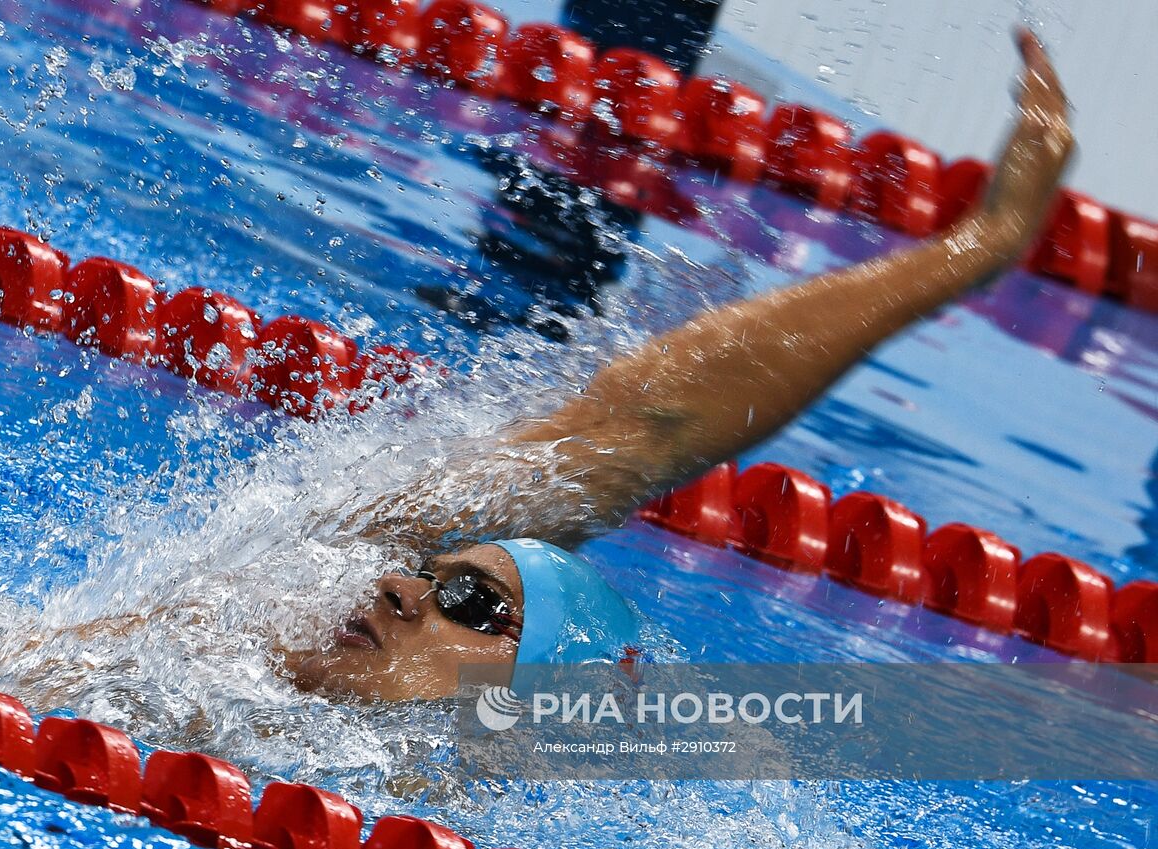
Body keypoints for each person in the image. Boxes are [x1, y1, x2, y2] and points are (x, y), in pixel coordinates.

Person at [282, 31, 1074, 701]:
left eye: (473, 603)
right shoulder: (246, 643)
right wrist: (979, 244)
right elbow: (640, 423)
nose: (395, 584)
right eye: (431, 573)